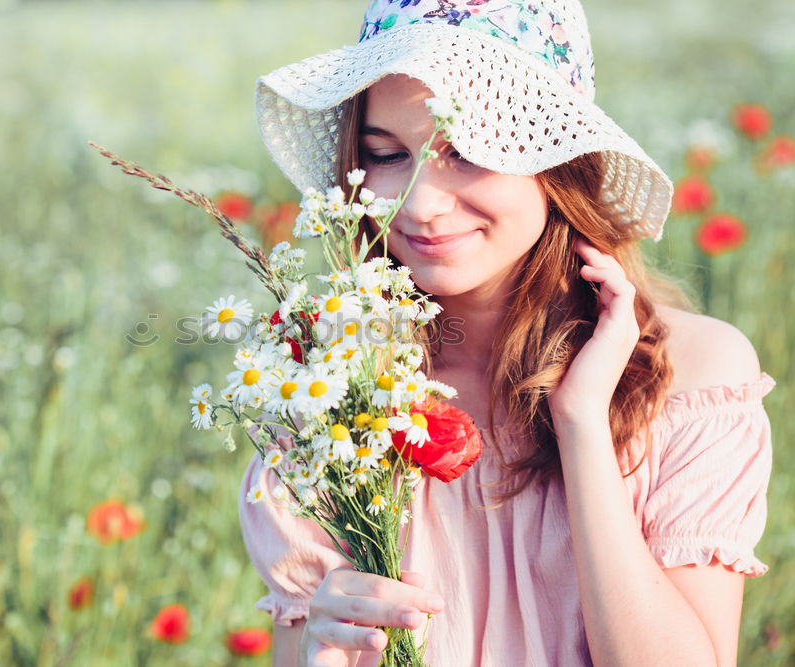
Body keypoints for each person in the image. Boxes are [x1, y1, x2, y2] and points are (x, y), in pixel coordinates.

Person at [239, 1, 775, 665]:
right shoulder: (336, 398)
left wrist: (580, 426)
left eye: (466, 151)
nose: (423, 203)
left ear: (559, 160)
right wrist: (322, 644)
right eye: (385, 153)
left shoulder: (694, 373)